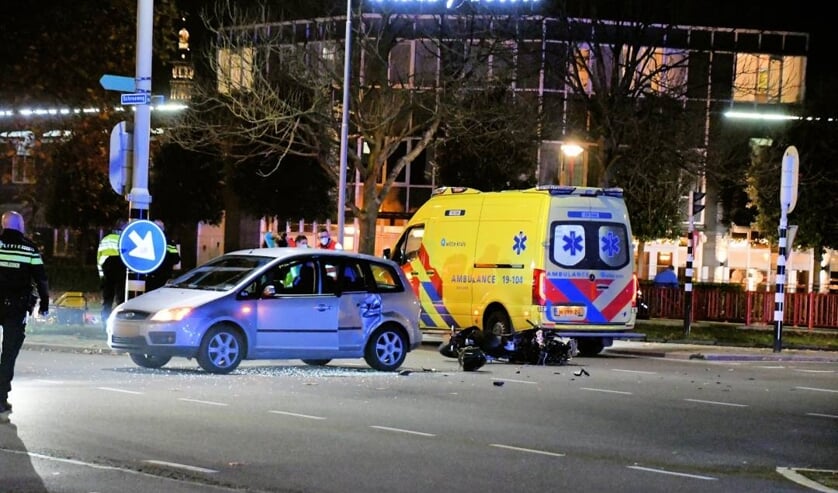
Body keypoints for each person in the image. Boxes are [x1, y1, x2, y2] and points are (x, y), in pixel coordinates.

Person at [0, 211, 49, 419]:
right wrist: (44, 303)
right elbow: (41, 278)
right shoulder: (29, 248)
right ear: (20, 226)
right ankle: (1, 400)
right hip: (16, 309)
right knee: (8, 354)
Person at [97, 220, 127, 324]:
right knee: (121, 298)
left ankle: (105, 322)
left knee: (107, 300)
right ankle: (119, 321)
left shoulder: (105, 239)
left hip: (107, 271)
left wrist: (102, 277)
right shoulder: (125, 240)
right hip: (121, 270)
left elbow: (99, 259)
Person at [146, 220, 181, 291]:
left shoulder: (148, 240)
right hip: (161, 276)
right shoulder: (169, 241)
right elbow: (176, 259)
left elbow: (176, 259)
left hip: (155, 276)